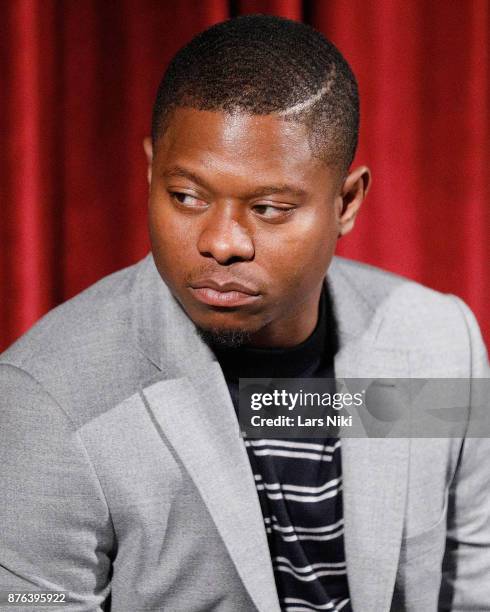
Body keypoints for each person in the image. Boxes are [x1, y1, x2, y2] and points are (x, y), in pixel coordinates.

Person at [0, 14, 488, 612]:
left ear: (346, 202)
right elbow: (31, 603)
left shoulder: (436, 342)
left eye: (270, 207)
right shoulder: (49, 399)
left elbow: (474, 583)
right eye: (186, 196)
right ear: (151, 172)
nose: (222, 242)